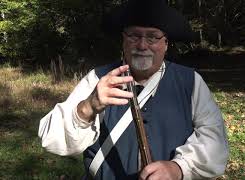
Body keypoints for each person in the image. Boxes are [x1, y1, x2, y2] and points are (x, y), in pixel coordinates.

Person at [38, 0, 229, 179]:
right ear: (124, 40)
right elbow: (51, 139)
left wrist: (179, 168)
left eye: (153, 37)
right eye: (134, 36)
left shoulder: (191, 82)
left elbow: (214, 140)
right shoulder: (97, 79)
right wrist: (88, 107)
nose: (142, 45)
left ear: (166, 44)